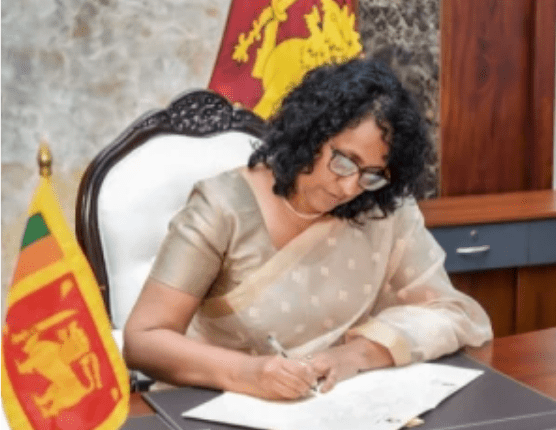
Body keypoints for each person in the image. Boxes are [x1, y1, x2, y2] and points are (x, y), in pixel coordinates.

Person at [123, 58, 492, 401]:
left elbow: (453, 312)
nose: (349, 187)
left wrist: (355, 355)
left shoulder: (380, 208)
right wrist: (249, 373)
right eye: (345, 161)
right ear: (311, 134)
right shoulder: (222, 208)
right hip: (218, 401)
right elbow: (144, 340)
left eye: (372, 174)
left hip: (334, 404)